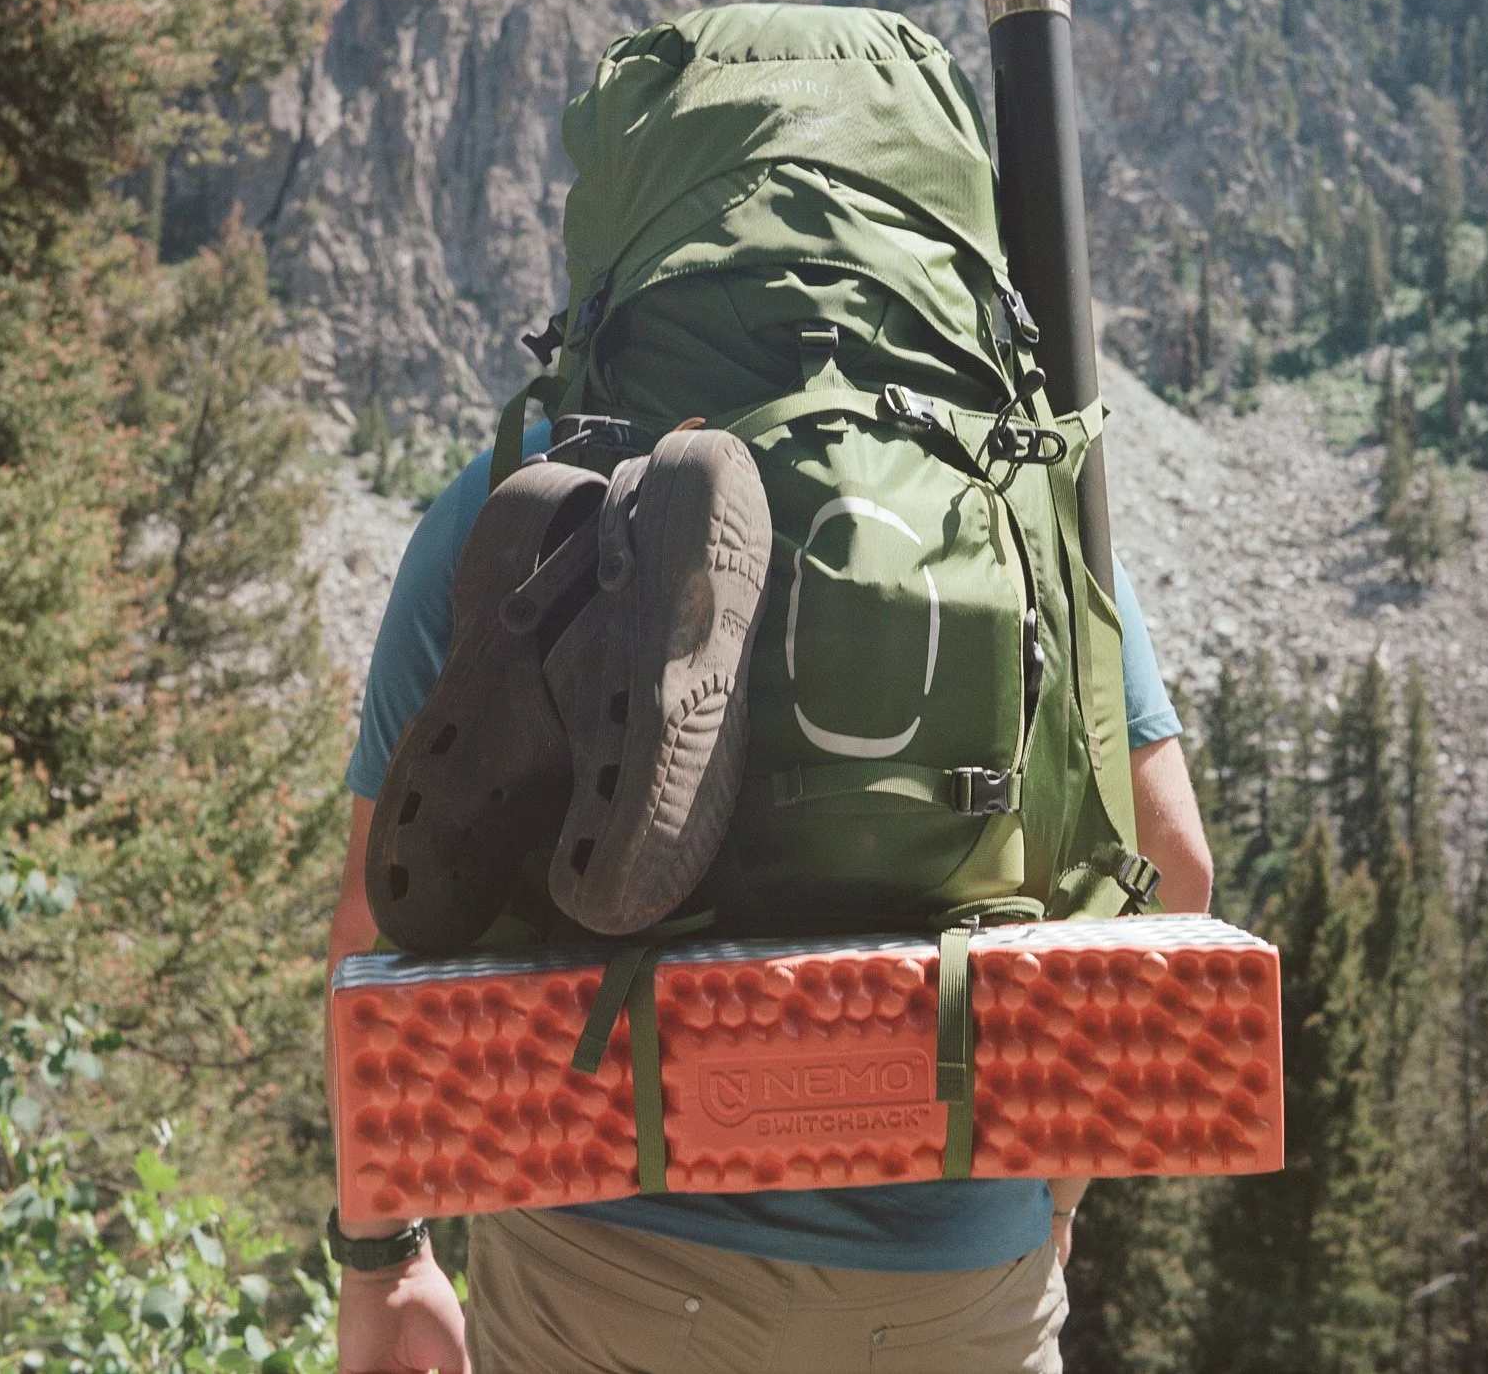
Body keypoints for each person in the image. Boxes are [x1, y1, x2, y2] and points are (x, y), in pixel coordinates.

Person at [329, 423, 1214, 1374]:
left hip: (600, 1259)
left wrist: (384, 1262)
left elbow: (377, 929)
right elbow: (1175, 874)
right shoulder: (1006, 481)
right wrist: (1058, 1192)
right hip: (949, 1270)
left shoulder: (526, 483)